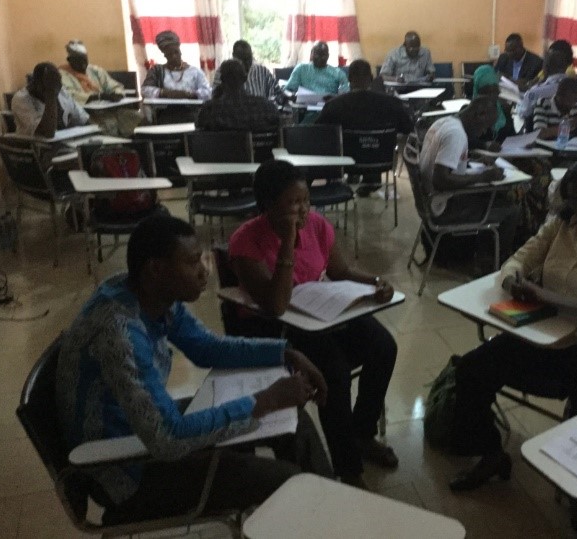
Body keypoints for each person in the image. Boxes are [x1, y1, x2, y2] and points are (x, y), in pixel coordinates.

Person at [56, 214, 330, 523]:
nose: (203, 273)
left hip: (143, 430)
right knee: (286, 482)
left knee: (295, 421)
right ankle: (320, 518)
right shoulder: (119, 332)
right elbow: (167, 438)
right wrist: (265, 400)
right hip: (125, 467)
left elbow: (207, 347)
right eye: (191, 263)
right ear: (156, 269)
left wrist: (284, 353)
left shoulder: (146, 292)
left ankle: (330, 517)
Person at [448, 159, 577, 497]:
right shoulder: (560, 226)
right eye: (572, 200)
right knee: (470, 370)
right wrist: (513, 281)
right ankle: (491, 452)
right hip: (539, 334)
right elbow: (518, 260)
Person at [228, 160, 399, 489]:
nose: (303, 209)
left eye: (305, 201)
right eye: (292, 203)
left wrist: (375, 282)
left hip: (321, 313)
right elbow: (276, 305)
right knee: (333, 373)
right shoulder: (245, 242)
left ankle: (362, 434)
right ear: (267, 206)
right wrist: (289, 241)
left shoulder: (318, 226)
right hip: (277, 329)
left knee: (383, 346)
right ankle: (348, 468)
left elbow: (341, 272)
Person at [419, 96, 522, 263]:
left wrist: (472, 163)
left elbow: (446, 165)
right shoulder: (456, 134)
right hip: (444, 207)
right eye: (486, 127)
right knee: (511, 209)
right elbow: (441, 180)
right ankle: (490, 263)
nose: (484, 133)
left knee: (495, 197)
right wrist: (483, 176)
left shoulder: (444, 122)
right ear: (479, 114)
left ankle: (481, 253)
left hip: (430, 201)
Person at [318, 59, 414, 194]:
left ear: (349, 79)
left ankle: (352, 179)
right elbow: (408, 128)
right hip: (382, 161)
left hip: (347, 162)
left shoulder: (334, 105)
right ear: (371, 78)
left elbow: (319, 131)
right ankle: (371, 179)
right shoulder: (393, 104)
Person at [59, 40, 143, 136]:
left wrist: (117, 93)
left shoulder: (94, 70)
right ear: (69, 60)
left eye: (84, 60)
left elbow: (114, 85)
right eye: (78, 60)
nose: (83, 64)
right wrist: (96, 97)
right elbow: (69, 95)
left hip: (108, 110)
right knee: (109, 124)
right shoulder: (62, 74)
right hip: (84, 114)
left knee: (137, 117)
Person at [520, 40, 577, 128]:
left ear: (545, 68)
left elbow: (523, 112)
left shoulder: (535, 92)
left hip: (543, 137)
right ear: (566, 66)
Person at [142, 30, 212, 124]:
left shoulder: (195, 72)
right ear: (165, 55)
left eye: (176, 52)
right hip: (165, 114)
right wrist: (165, 93)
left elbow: (208, 92)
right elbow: (145, 90)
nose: (174, 56)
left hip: (191, 113)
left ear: (180, 51)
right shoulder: (157, 71)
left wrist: (190, 94)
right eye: (170, 54)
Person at [197, 59, 281, 132]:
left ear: (222, 79)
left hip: (223, 150)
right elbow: (279, 124)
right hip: (262, 150)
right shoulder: (267, 107)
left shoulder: (208, 111)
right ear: (245, 78)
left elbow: (199, 128)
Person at [12, 62, 90, 138]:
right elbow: (48, 132)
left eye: (58, 83)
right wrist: (51, 93)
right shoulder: (21, 99)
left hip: (64, 145)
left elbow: (84, 119)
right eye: (50, 84)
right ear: (35, 83)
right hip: (33, 147)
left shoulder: (60, 91)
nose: (57, 88)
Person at [213, 39, 282, 105]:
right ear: (233, 56)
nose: (246, 63)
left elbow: (277, 94)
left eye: (249, 59)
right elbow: (215, 97)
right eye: (242, 60)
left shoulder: (262, 71)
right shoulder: (223, 71)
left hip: (260, 113)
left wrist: (270, 104)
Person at [470, 65, 515, 149]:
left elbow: (513, 136)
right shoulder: (469, 113)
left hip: (506, 157)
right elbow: (467, 142)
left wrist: (524, 143)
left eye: (494, 90)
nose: (491, 96)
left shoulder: (504, 110)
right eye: (486, 92)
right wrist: (485, 145)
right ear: (477, 91)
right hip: (481, 159)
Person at [284, 41, 349, 96]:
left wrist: (334, 98)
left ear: (328, 56)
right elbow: (289, 89)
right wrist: (294, 95)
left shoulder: (338, 73)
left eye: (323, 54)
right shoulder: (301, 69)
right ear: (311, 54)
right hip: (304, 107)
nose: (319, 57)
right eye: (316, 53)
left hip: (329, 107)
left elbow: (345, 95)